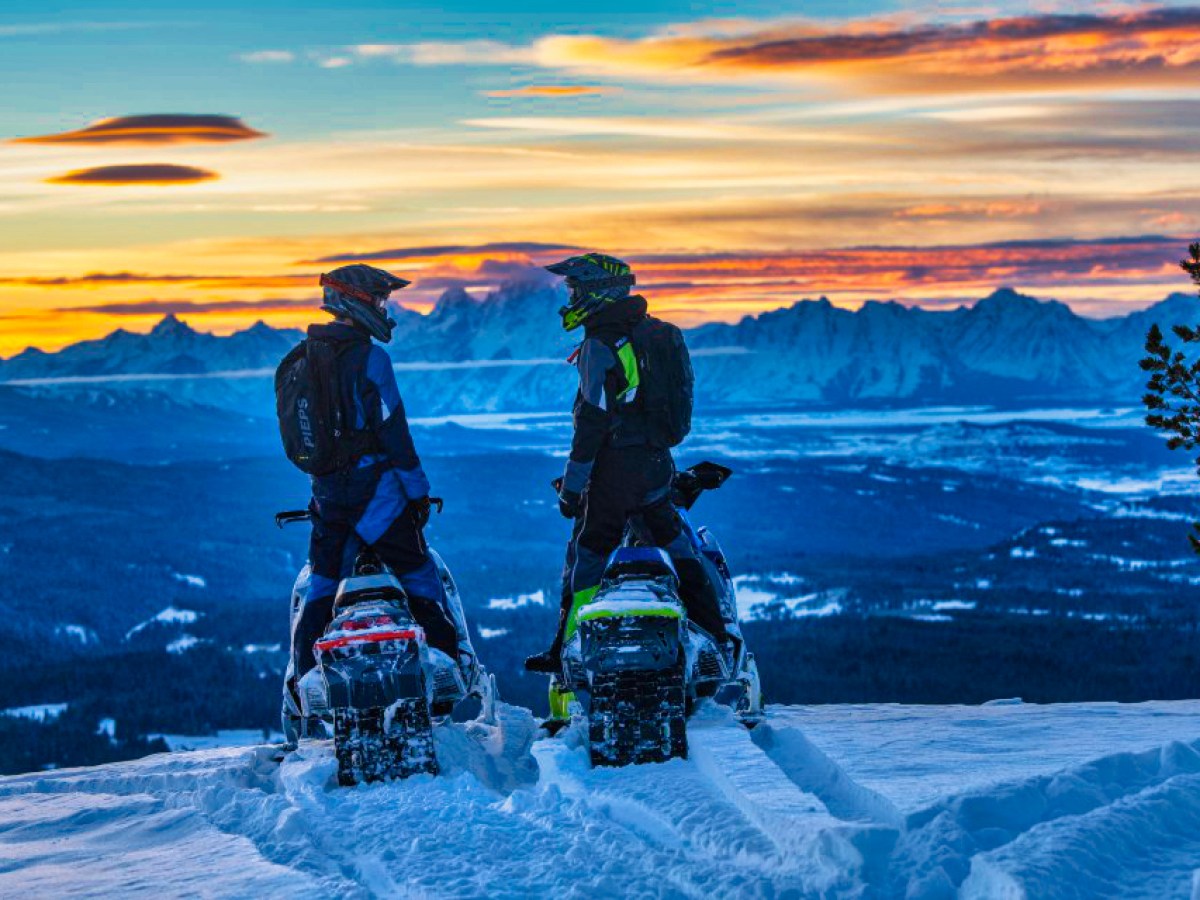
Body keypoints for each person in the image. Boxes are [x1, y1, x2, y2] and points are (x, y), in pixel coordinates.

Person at [524, 253, 726, 676]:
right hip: (655, 465)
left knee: (586, 556)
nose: (571, 296)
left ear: (599, 292)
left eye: (576, 289)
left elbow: (590, 423)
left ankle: (567, 651)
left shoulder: (601, 345)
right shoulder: (656, 334)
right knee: (677, 548)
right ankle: (715, 637)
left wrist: (573, 489)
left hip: (612, 472)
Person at [287, 263, 459, 691]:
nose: (385, 309)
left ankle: (305, 683)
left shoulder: (301, 361)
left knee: (322, 587)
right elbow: (395, 434)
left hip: (327, 498)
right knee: (419, 576)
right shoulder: (371, 359)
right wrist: (418, 495)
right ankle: (445, 667)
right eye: (380, 300)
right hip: (377, 497)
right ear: (357, 302)